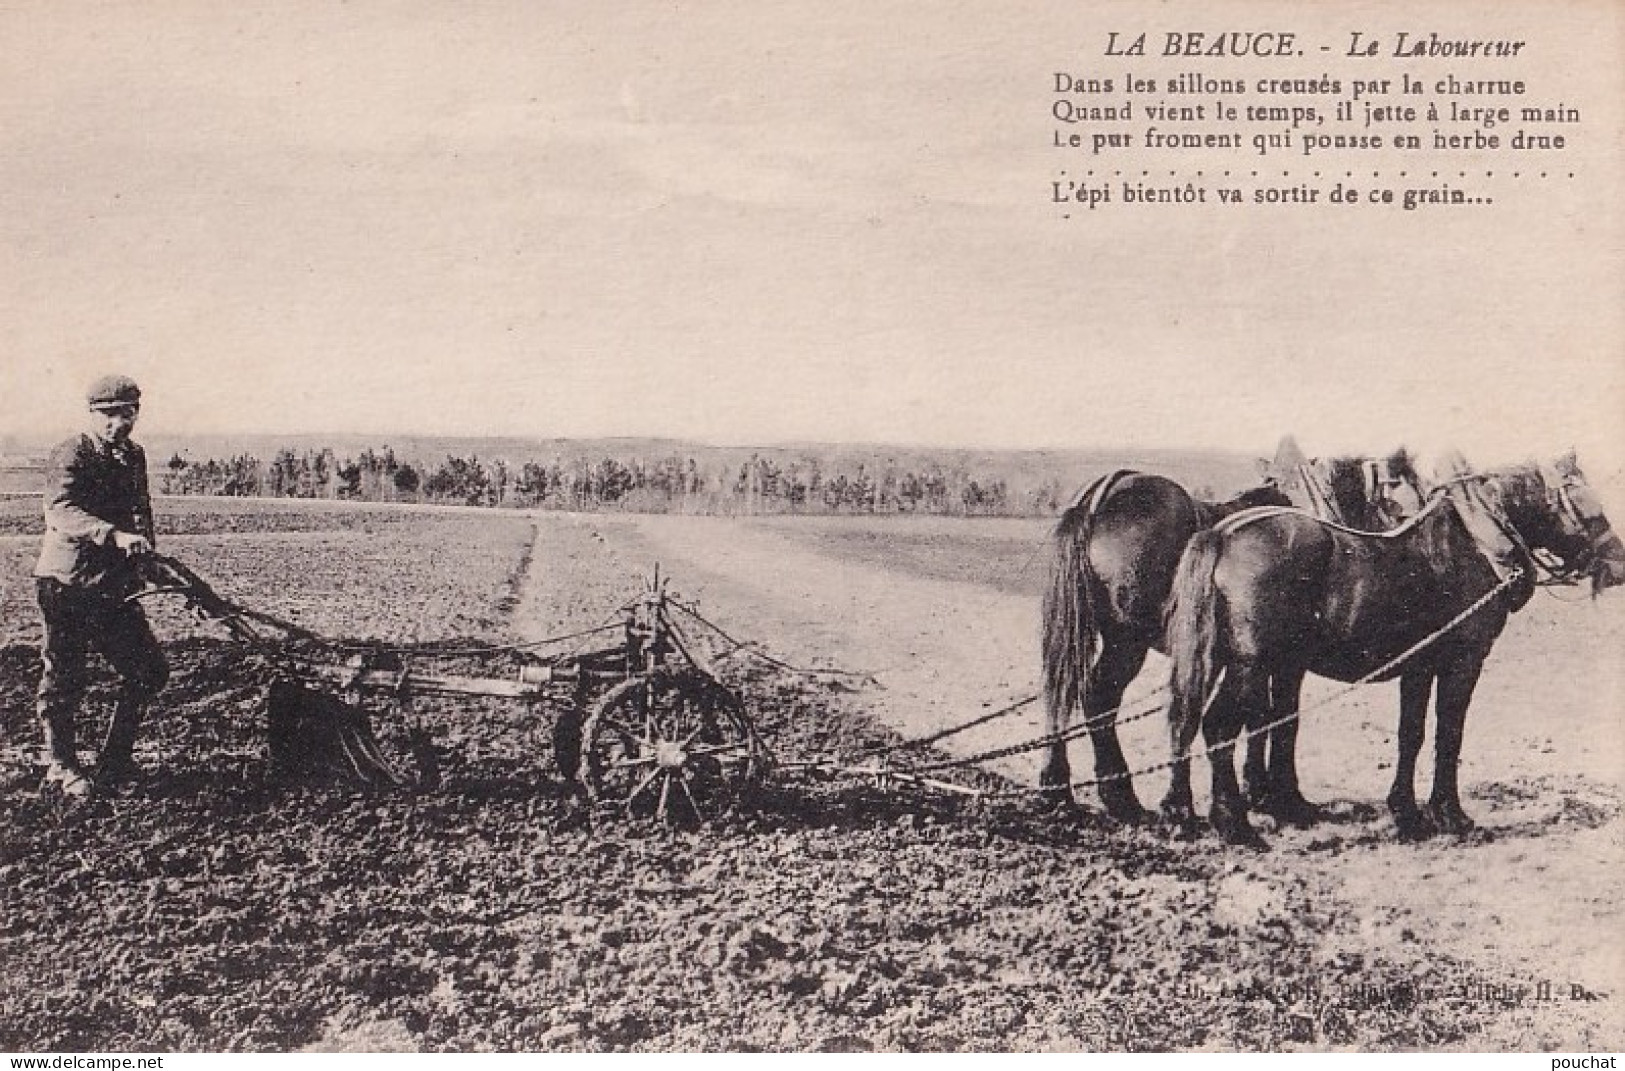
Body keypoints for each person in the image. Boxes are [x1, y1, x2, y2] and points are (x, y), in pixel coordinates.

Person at [33, 374, 169, 795]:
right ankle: (62, 765)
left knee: (148, 671)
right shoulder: (73, 452)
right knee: (66, 675)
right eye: (108, 415)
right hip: (68, 582)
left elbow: (139, 510)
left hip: (112, 586)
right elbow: (61, 510)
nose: (118, 423)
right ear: (93, 414)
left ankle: (115, 763)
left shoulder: (133, 456)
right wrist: (112, 535)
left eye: (126, 413)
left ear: (136, 413)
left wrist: (149, 557)